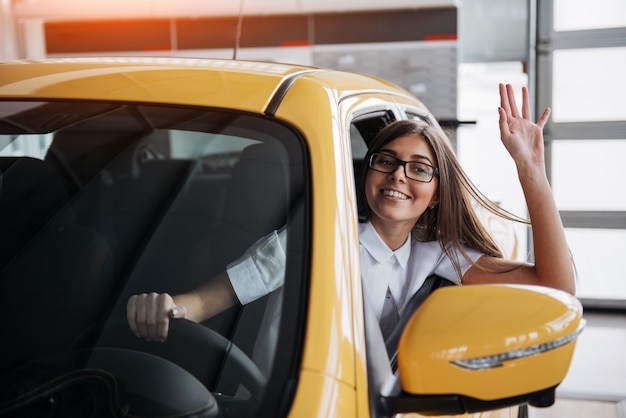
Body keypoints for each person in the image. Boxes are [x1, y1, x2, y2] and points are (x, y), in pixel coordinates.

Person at [127, 84, 576, 343]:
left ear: (437, 194)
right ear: (368, 173)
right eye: (386, 161)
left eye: (419, 169)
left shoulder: (442, 254)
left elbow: (557, 289)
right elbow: (209, 300)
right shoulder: (312, 241)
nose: (399, 175)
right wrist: (168, 309)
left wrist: (531, 171)